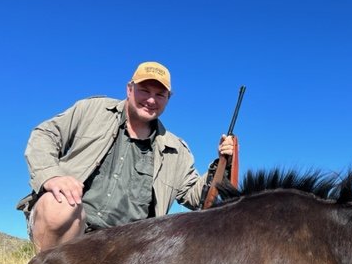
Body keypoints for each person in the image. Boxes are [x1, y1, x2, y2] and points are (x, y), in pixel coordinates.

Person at [17, 61, 234, 253]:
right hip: (76, 233)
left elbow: (195, 197)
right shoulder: (92, 110)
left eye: (160, 94)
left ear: (169, 98)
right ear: (129, 89)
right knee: (58, 207)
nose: (151, 100)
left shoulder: (176, 149)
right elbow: (45, 134)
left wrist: (221, 164)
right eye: (144, 90)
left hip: (131, 249)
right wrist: (51, 176)